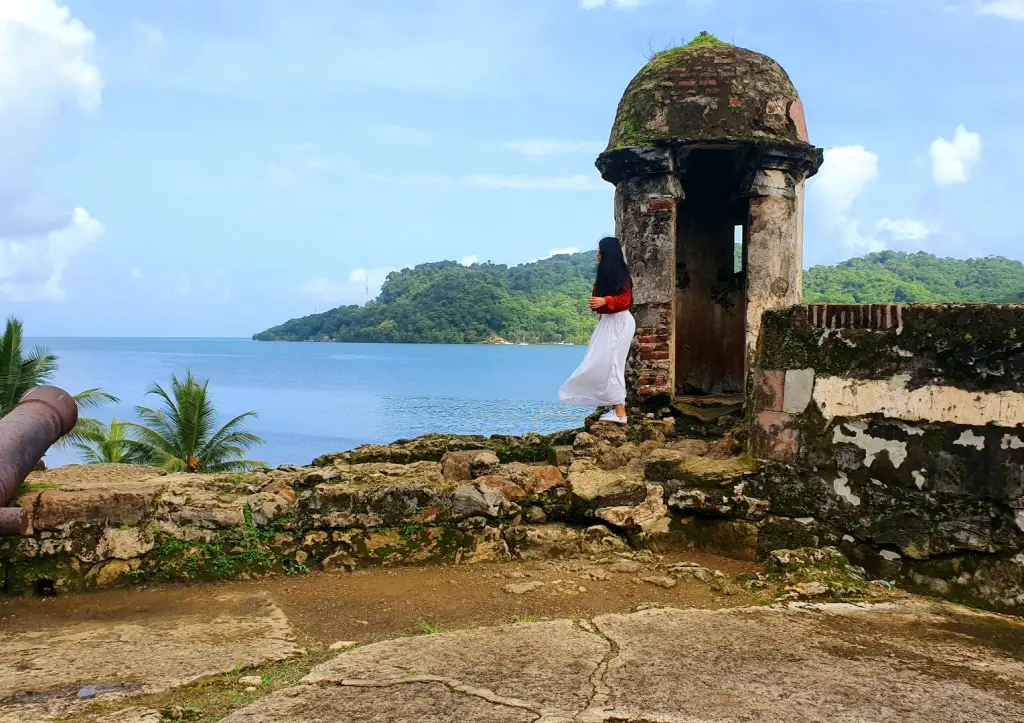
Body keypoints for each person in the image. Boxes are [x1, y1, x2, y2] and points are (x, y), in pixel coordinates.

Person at [558, 236, 635, 424]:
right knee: (598, 362)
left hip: (620, 322)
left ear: (608, 253)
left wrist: (606, 301)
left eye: (600, 251)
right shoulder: (605, 275)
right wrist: (601, 304)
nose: (597, 254)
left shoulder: (622, 275)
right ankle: (613, 406)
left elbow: (626, 301)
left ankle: (620, 412)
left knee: (613, 363)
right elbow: (599, 304)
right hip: (608, 322)